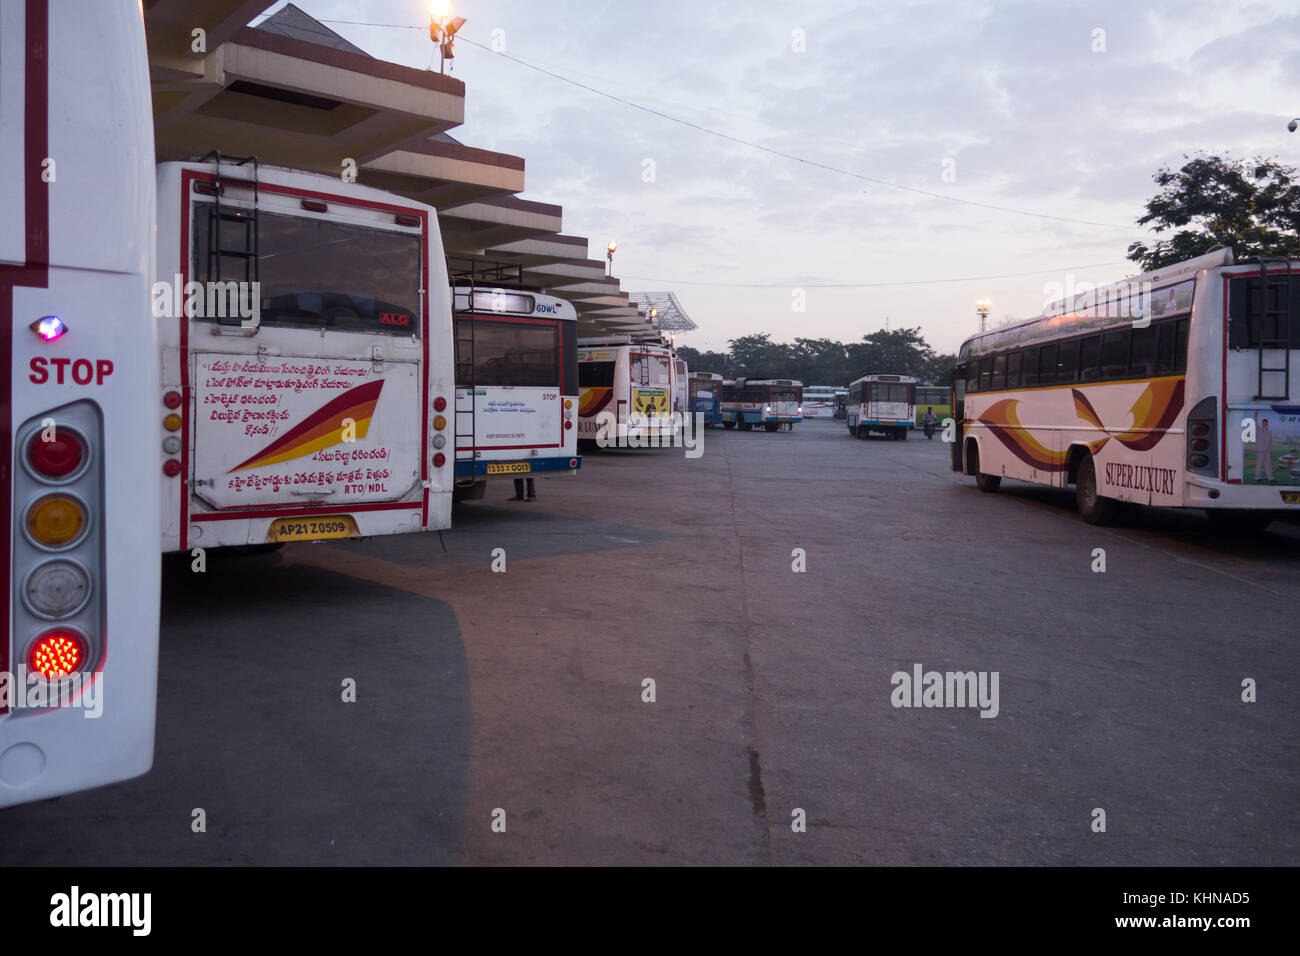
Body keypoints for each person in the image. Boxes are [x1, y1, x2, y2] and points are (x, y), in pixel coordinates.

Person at [1255, 417, 1274, 482]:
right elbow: (1255, 422)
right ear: (1262, 423)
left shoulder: (1269, 432)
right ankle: (1257, 477)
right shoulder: (1259, 429)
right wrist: (1255, 415)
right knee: (1259, 464)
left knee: (1268, 465)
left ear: (1267, 424)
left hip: (1267, 451)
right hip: (1260, 451)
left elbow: (1270, 442)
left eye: (1266, 423)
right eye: (1264, 423)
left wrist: (1271, 451)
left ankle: (1270, 478)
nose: (1265, 424)